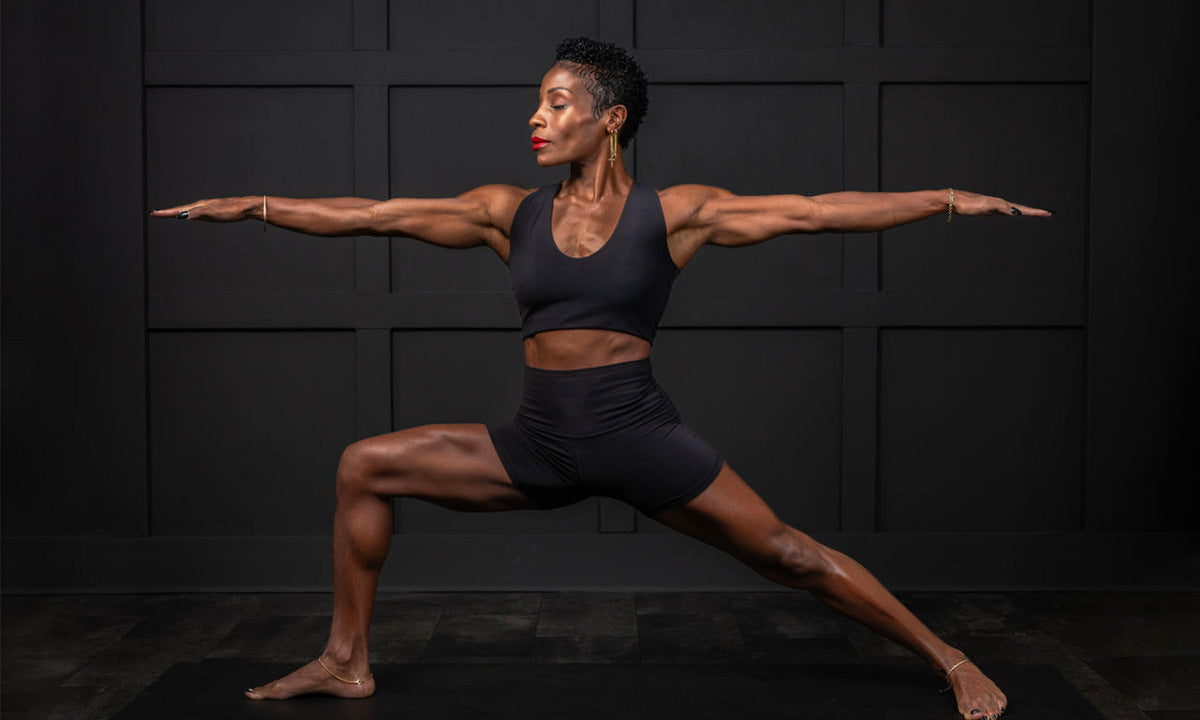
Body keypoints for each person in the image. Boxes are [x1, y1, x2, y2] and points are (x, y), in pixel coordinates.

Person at [151, 36, 1047, 720]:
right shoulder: (510, 213)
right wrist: (259, 207)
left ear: (609, 117)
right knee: (363, 464)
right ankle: (347, 659)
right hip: (535, 443)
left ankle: (951, 660)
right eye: (537, 104)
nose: (536, 119)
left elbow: (815, 213)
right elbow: (377, 215)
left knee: (790, 556)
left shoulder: (677, 214)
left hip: (639, 439)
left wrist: (943, 198)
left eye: (556, 103)